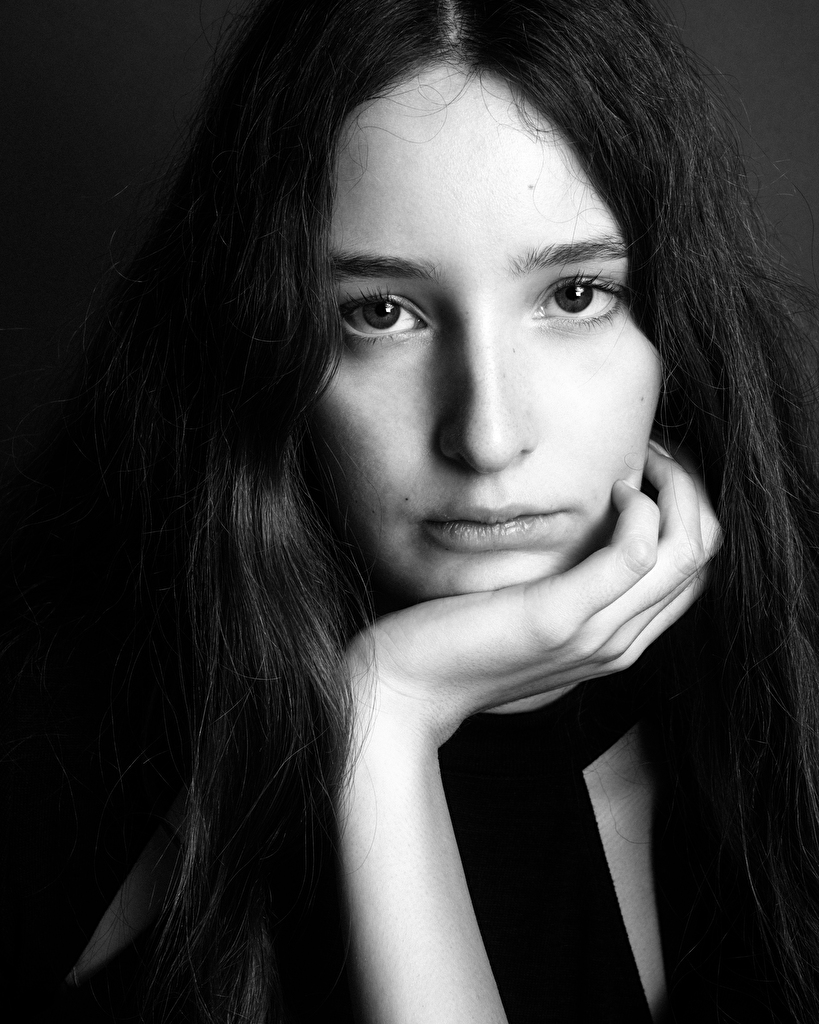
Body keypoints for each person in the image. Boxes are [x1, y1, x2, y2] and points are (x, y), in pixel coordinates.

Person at [2, 0, 818, 1021]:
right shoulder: (62, 757)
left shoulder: (781, 707)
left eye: (573, 296)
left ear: (676, 328)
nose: (487, 436)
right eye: (381, 313)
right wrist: (382, 715)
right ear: (264, 348)